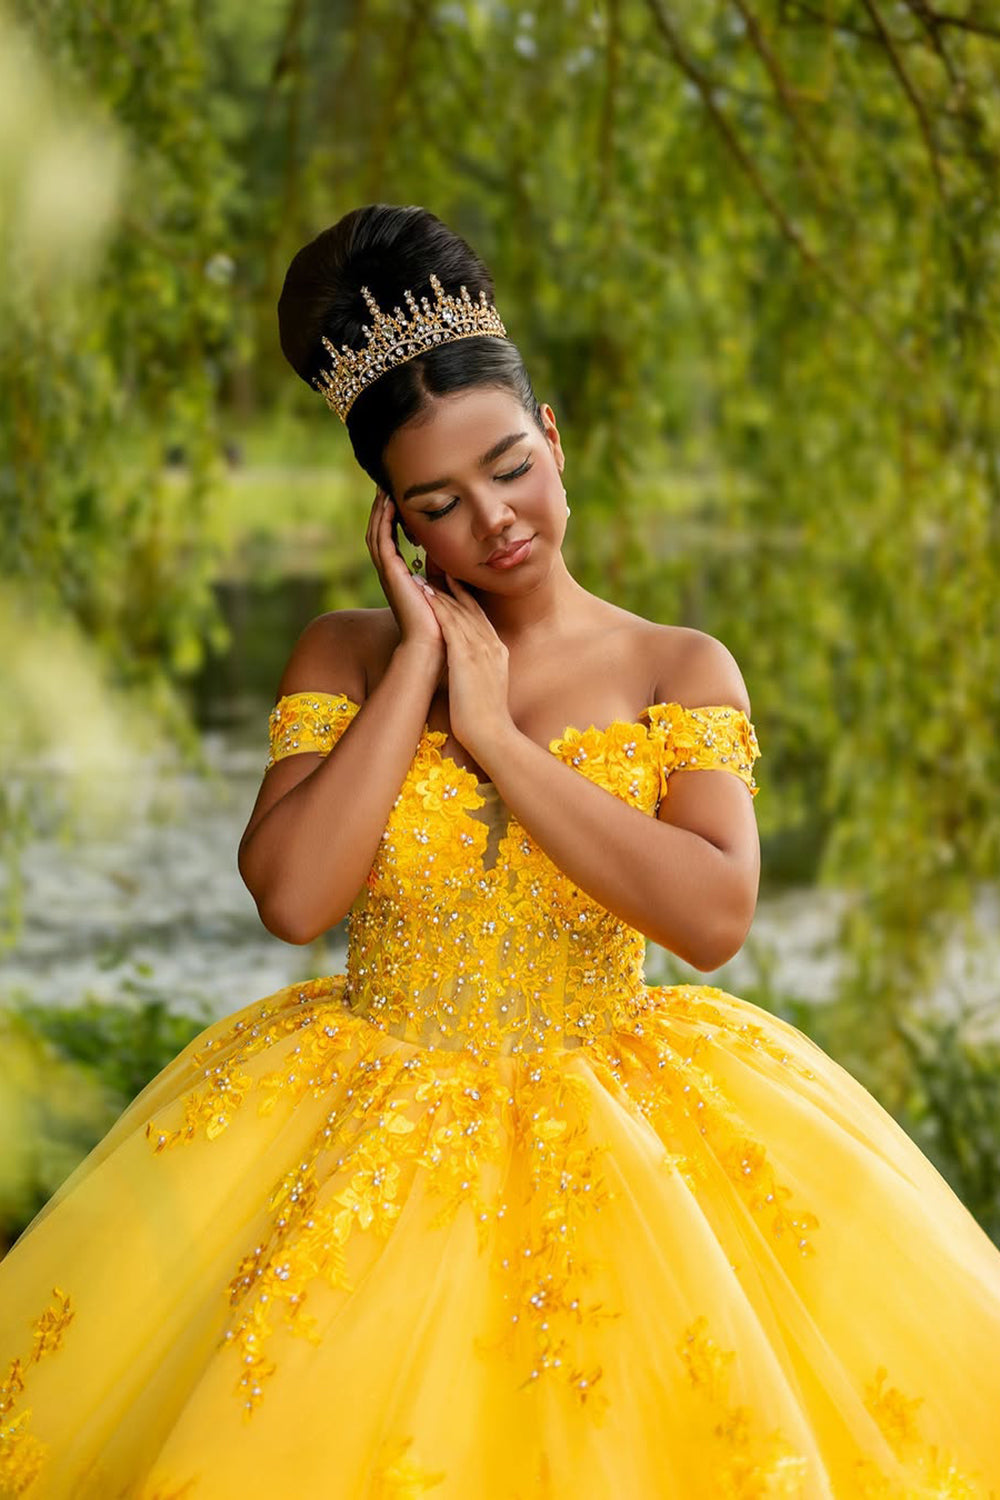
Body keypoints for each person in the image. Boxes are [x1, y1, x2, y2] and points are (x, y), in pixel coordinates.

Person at [1, 204, 999, 1500]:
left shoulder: (676, 669)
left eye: (512, 464)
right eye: (441, 503)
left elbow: (714, 917)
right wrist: (417, 659)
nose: (497, 519)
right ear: (395, 523)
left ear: (557, 445)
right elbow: (296, 898)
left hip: (623, 1136)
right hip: (362, 1125)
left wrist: (497, 741)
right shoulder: (346, 655)